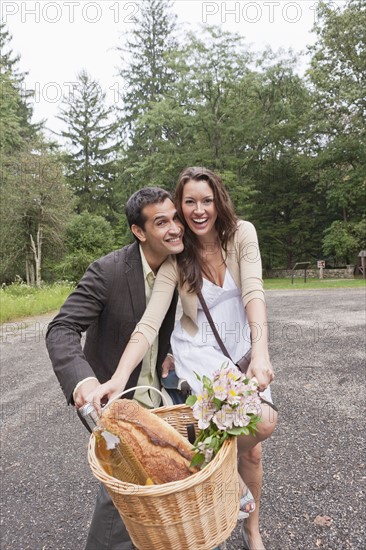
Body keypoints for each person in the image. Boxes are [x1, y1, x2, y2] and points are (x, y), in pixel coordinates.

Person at [88, 167, 278, 550]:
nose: (198, 210)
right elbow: (148, 323)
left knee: (255, 447)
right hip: (200, 359)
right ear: (181, 206)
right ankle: (218, 474)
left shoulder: (243, 234)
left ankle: (250, 528)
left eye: (206, 200)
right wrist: (119, 377)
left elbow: (253, 292)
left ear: (218, 200)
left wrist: (260, 354)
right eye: (188, 202)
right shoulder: (177, 258)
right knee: (261, 426)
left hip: (243, 353)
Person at [45, 187, 184, 550]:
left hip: (163, 395)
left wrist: (169, 354)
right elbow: (61, 328)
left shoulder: (179, 264)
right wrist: (83, 381)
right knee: (125, 490)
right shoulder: (107, 271)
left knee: (166, 482)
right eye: (161, 222)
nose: (174, 228)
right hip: (112, 400)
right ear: (139, 232)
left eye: (175, 218)